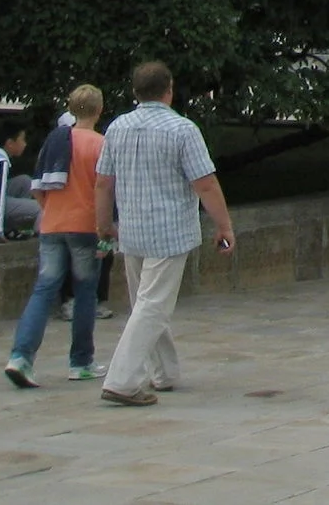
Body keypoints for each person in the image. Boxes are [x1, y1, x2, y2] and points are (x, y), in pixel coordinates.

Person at [96, 60, 236, 406]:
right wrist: (223, 225)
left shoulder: (117, 128)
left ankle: (165, 373)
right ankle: (123, 380)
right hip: (169, 231)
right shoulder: (182, 129)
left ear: (135, 92)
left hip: (132, 228)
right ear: (169, 90)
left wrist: (103, 224)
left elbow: (103, 182)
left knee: (144, 303)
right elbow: (204, 183)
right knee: (153, 306)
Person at [3, 85, 105, 386]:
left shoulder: (55, 141)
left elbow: (37, 186)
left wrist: (51, 210)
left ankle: (21, 357)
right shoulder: (101, 144)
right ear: (99, 110)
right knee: (86, 292)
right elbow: (106, 189)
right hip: (86, 226)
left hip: (52, 224)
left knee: (44, 289)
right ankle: (81, 361)